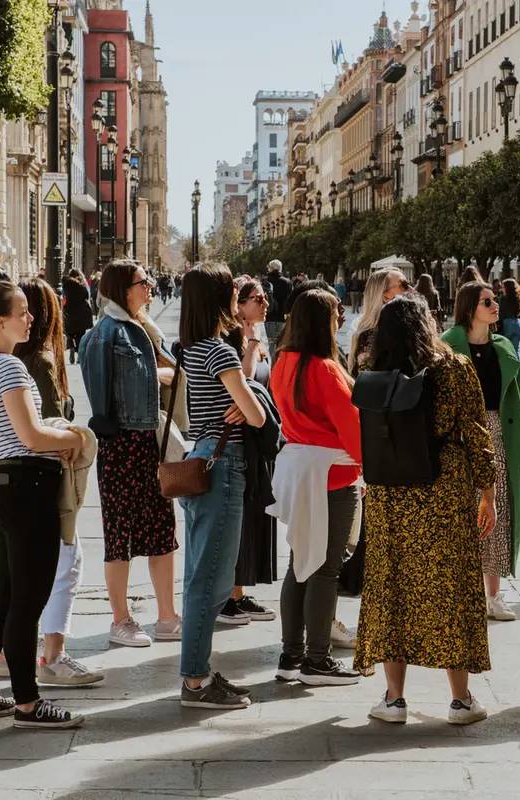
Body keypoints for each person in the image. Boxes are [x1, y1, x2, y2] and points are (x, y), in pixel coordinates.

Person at [353, 294, 497, 726]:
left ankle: (394, 700)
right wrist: (487, 491)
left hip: (390, 493)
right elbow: (475, 432)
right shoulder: (453, 369)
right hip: (444, 491)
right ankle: (460, 700)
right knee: (451, 586)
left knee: (392, 587)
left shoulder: (372, 374)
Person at [0, 280, 85, 729]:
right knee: (27, 603)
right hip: (27, 490)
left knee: (3, 598)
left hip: (2, 489)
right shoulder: (8, 367)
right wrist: (73, 436)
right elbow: (31, 435)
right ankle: (29, 705)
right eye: (23, 311)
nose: (31, 318)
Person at [177, 263, 268, 710]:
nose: (238, 294)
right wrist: (245, 397)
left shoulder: (190, 349)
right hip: (223, 464)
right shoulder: (220, 352)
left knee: (201, 573)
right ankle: (195, 681)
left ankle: (200, 671)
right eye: (232, 289)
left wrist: (239, 398)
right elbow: (257, 416)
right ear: (218, 297)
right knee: (211, 580)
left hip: (201, 455)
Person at [79, 261, 181, 648]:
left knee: (161, 532)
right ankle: (120, 620)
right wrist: (160, 375)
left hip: (145, 442)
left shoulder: (139, 328)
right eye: (144, 282)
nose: (151, 287)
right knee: (119, 535)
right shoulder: (107, 334)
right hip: (122, 444)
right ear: (124, 288)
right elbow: (110, 393)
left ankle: (167, 617)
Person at [10, 278, 103, 687]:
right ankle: (53, 655)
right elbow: (48, 428)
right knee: (66, 564)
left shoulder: (5, 359)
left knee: (19, 571)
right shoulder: (42, 363)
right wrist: (76, 438)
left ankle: (6, 651)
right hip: (44, 482)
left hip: (10, 480)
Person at [269, 289, 364, 686]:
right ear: (321, 320)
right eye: (336, 313)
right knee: (325, 568)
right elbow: (352, 427)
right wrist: (370, 465)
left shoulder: (283, 362)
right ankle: (318, 660)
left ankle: (291, 656)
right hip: (332, 475)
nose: (341, 318)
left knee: (300, 564)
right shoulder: (324, 369)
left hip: (298, 470)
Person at [442, 282, 520, 623]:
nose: (496, 306)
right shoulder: (448, 346)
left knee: (498, 513)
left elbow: (518, 394)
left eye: (495, 300)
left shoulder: (503, 345)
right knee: (460, 511)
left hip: (499, 433)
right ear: (469, 309)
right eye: (487, 302)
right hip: (460, 437)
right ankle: (460, 592)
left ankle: (493, 595)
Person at [219, 275, 278, 625]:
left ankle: (238, 591)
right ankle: (227, 596)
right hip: (238, 440)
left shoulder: (257, 333)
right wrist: (253, 345)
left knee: (254, 518)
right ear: (239, 304)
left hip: (258, 441)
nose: (265, 302)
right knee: (238, 521)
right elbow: (243, 382)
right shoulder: (232, 338)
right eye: (257, 297)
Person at [349, 268, 411, 373]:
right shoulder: (371, 335)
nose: (411, 289)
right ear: (384, 297)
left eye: (408, 283)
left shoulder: (409, 325)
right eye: (403, 285)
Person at [62, 270, 94, 366]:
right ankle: (79, 355)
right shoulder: (82, 285)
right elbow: (87, 296)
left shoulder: (66, 285)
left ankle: (71, 347)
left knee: (69, 334)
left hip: (69, 312)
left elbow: (64, 297)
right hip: (81, 313)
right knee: (80, 335)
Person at [265, 260, 293, 347]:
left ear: (271, 269)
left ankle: (272, 360)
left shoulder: (266, 281)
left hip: (268, 317)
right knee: (281, 344)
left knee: (271, 344)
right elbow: (290, 301)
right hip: (282, 317)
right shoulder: (288, 282)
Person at [497, 278, 520, 356]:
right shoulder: (519, 298)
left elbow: (501, 314)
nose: (501, 289)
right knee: (516, 351)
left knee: (507, 352)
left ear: (507, 288)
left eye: (503, 287)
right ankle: (518, 368)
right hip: (518, 324)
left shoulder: (503, 299)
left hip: (507, 324)